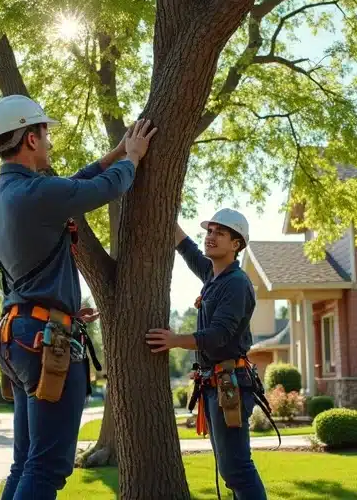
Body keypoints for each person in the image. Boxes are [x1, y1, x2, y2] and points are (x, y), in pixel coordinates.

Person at [0, 94, 157, 500]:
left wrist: (113, 153)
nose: (49, 142)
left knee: (25, 461)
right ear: (29, 138)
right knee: (47, 467)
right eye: (44, 134)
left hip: (17, 334)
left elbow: (70, 187)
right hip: (46, 338)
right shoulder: (38, 195)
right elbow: (101, 189)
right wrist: (131, 158)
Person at [146, 208, 270, 500]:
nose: (210, 237)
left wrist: (176, 340)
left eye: (219, 233)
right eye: (209, 231)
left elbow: (217, 336)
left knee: (237, 468)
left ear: (236, 244)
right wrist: (166, 216)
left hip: (231, 384)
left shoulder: (236, 284)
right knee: (230, 469)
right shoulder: (213, 276)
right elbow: (188, 249)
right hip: (215, 382)